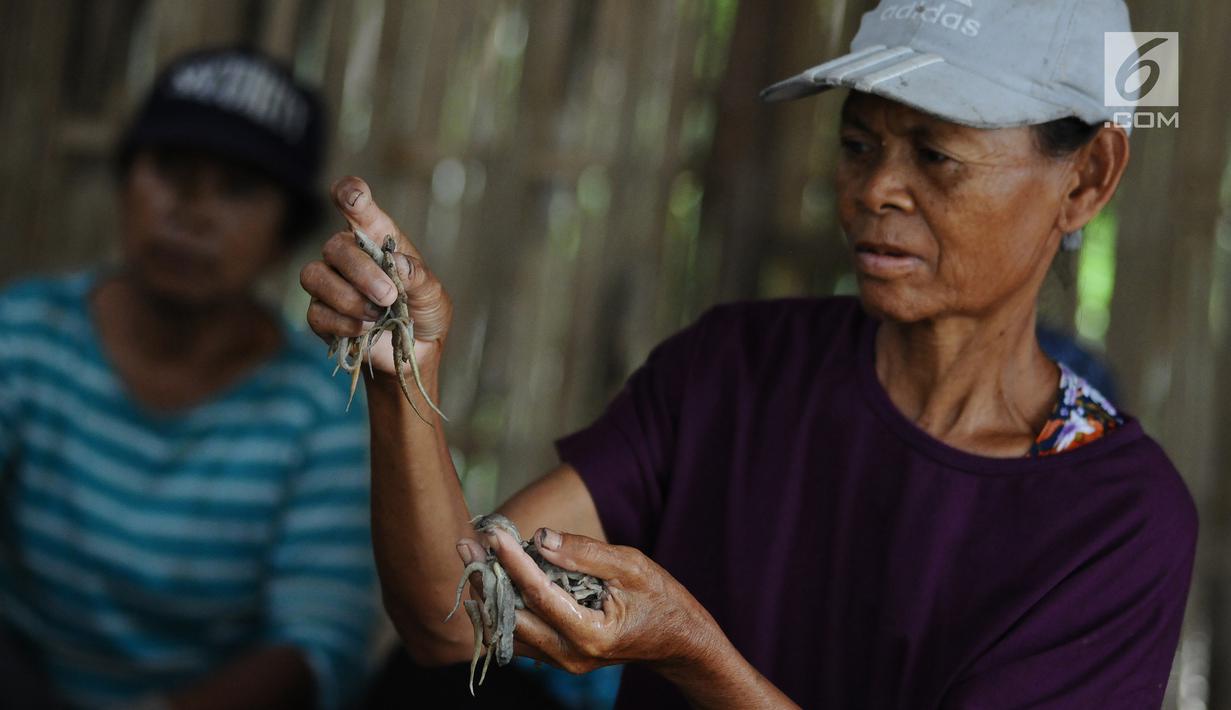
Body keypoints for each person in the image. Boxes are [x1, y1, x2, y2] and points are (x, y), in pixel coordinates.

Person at [299, 0, 1197, 707]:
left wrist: (696, 656)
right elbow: (449, 627)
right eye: (858, 144)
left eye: (935, 155)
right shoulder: (735, 369)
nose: (876, 189)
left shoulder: (1113, 516)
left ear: (1084, 180)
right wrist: (402, 378)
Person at [0, 47, 377, 709]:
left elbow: (318, 642)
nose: (193, 213)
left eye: (238, 189)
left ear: (285, 234)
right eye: (171, 172)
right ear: (125, 183)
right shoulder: (24, 336)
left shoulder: (317, 411)